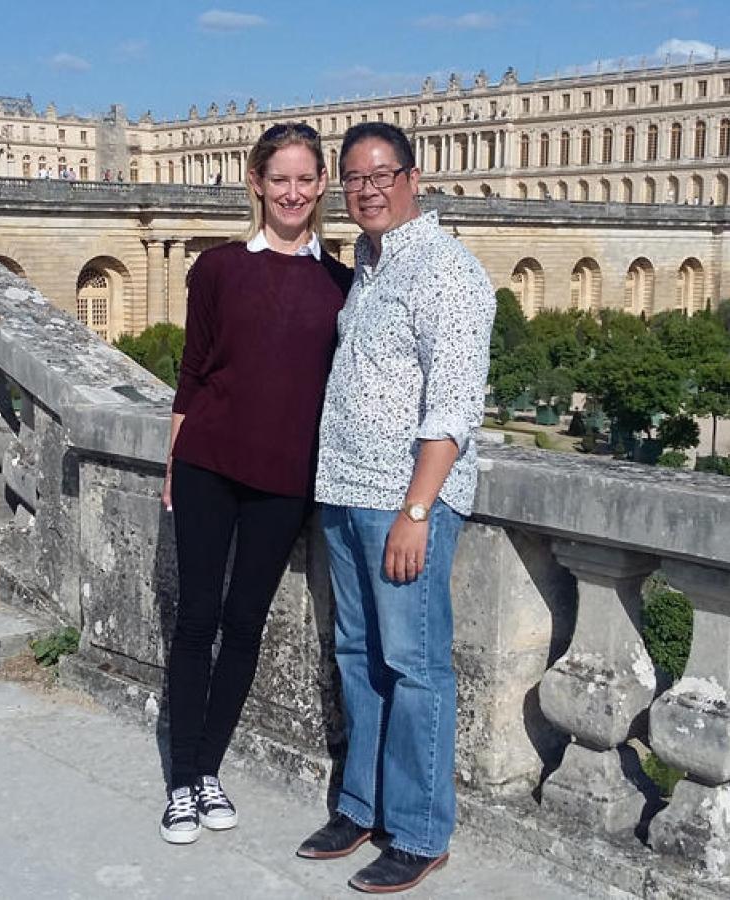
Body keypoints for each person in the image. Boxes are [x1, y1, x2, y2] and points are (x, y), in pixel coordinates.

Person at [296, 122, 495, 892]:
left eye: (382, 174)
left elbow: (451, 409)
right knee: (357, 655)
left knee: (414, 668)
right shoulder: (368, 267)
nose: (368, 189)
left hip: (402, 501)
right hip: (343, 492)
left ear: (414, 177)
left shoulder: (448, 273)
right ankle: (362, 805)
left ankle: (418, 831)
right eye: (354, 178)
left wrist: (418, 509)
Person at [159, 122, 351, 845]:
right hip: (209, 461)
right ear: (256, 184)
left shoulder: (342, 281)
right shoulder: (216, 269)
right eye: (280, 180)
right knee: (197, 619)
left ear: (320, 185)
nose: (293, 192)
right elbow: (192, 371)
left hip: (286, 477)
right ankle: (181, 782)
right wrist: (174, 460)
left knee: (244, 627)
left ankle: (209, 771)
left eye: (305, 179)